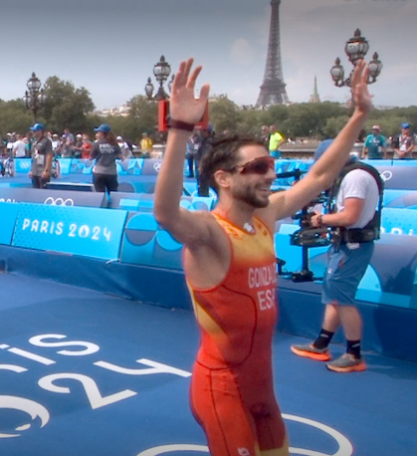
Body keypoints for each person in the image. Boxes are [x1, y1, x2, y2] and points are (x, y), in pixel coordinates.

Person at [152, 58, 373, 456]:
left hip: (263, 390)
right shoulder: (208, 233)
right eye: (257, 167)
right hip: (221, 391)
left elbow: (320, 177)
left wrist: (358, 116)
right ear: (223, 178)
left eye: (270, 165)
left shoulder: (265, 217)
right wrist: (180, 129)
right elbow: (166, 213)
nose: (270, 175)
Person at [290, 138, 383, 373]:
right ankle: (321, 344)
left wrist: (320, 220)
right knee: (335, 295)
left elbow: (350, 217)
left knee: (342, 300)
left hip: (352, 247)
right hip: (347, 245)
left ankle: (354, 354)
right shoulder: (353, 175)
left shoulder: (354, 178)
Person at [89, 124, 126, 194]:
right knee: (113, 194)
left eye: (98, 132)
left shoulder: (97, 144)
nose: (96, 134)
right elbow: (122, 158)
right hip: (111, 172)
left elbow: (91, 158)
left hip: (99, 172)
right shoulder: (114, 144)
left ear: (102, 134)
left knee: (99, 195)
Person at [28, 123, 53, 189]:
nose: (33, 132)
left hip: (42, 172)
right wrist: (31, 170)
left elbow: (49, 155)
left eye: (34, 131)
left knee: (43, 191)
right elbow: (33, 157)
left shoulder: (46, 141)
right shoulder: (34, 142)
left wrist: (46, 170)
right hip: (35, 172)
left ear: (40, 131)